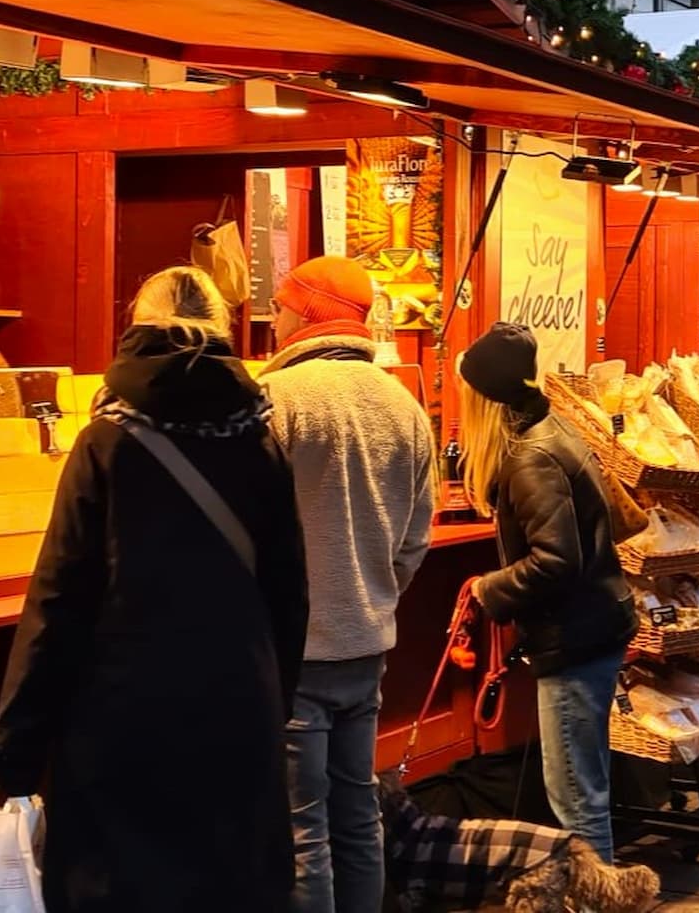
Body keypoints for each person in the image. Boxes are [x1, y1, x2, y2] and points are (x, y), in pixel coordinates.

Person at [0, 265, 309, 913]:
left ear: (137, 326)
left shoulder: (105, 440)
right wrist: (267, 703)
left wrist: (16, 747)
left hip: (122, 725)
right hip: (235, 717)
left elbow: (58, 600)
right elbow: (290, 597)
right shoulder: (261, 440)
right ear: (220, 330)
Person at [260, 255, 437, 913]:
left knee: (302, 831)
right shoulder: (403, 403)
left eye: (279, 307)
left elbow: (246, 521)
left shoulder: (277, 401)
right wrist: (377, 593)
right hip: (366, 644)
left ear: (306, 313)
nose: (271, 321)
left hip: (296, 650)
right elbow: (416, 534)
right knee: (358, 817)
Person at [458, 321, 638, 864]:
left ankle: (595, 900)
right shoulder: (550, 428)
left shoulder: (530, 457)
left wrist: (489, 588)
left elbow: (556, 560)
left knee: (577, 798)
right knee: (585, 786)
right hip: (595, 626)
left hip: (575, 638)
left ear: (483, 396)